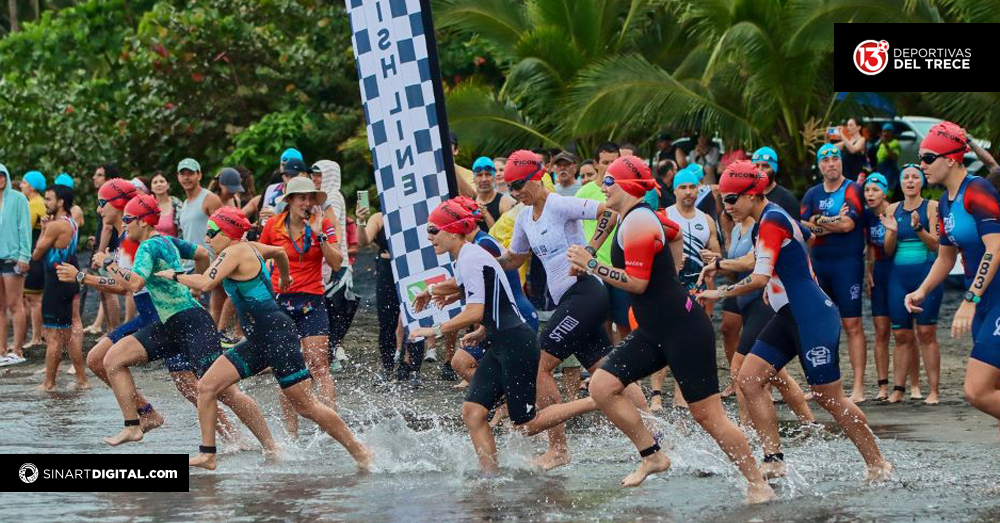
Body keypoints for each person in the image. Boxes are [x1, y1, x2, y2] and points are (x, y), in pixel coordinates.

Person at [564, 157, 775, 503]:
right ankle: (653, 455)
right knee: (603, 386)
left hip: (683, 329)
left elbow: (637, 283)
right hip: (654, 329)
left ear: (626, 186)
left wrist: (593, 265)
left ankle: (757, 482)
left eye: (609, 181)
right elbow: (674, 233)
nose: (603, 187)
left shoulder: (638, 222)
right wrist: (675, 273)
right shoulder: (635, 216)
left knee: (709, 416)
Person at [697, 160, 892, 482]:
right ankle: (773, 459)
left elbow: (759, 277)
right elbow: (766, 255)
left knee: (829, 397)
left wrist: (718, 293)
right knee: (749, 379)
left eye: (731, 199)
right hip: (789, 315)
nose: (726, 207)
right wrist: (720, 264)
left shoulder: (771, 220)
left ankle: (877, 462)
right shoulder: (767, 219)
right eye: (724, 199)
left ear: (752, 194)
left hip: (812, 316)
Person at [159, 207, 372, 471]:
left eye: (212, 233)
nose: (207, 239)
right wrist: (285, 276)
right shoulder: (252, 247)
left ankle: (361, 451)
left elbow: (204, 283)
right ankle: (211, 454)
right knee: (206, 387)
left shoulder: (235, 252)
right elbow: (280, 252)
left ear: (228, 233)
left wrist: (174, 275)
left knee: (306, 406)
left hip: (277, 335)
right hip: (259, 338)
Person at [410, 197, 598, 473]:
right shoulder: (466, 256)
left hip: (516, 343)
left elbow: (475, 310)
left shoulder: (471, 256)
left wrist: (435, 331)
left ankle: (595, 400)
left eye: (433, 230)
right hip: (500, 342)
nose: (429, 238)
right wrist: (481, 327)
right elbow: (493, 297)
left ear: (452, 231)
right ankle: (491, 478)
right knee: (473, 412)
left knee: (526, 424)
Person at [497, 149, 648, 470]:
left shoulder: (558, 204)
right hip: (571, 301)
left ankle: (558, 448)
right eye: (510, 188)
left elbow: (610, 213)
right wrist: (481, 264)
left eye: (519, 185)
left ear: (537, 178)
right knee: (607, 369)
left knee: (539, 365)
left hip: (586, 292)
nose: (515, 193)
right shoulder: (523, 218)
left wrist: (589, 252)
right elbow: (514, 259)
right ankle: (654, 436)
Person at [56, 179, 239, 438]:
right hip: (150, 314)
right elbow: (196, 254)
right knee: (99, 360)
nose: (98, 210)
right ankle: (146, 412)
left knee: (192, 385)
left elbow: (127, 285)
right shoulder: (128, 237)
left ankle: (233, 436)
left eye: (102, 203)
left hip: (163, 316)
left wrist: (83, 277)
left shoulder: (138, 240)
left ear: (120, 205)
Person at [94, 194, 273, 452]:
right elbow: (200, 253)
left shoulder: (148, 246)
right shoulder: (168, 241)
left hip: (192, 323)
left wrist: (108, 263)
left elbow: (134, 284)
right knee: (113, 359)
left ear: (142, 221)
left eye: (128, 219)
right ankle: (133, 424)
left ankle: (271, 446)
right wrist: (196, 284)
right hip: (170, 325)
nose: (124, 224)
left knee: (225, 391)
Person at [906, 121, 1000, 427]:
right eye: (921, 158)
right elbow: (946, 258)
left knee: (978, 391)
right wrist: (921, 290)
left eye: (928, 158)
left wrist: (970, 299)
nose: (922, 165)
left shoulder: (978, 190)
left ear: (950, 160)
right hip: (985, 302)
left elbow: (996, 247)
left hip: (992, 297)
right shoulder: (946, 202)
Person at [259, 177, 344, 437]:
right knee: (287, 367)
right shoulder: (273, 225)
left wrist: (320, 236)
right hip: (281, 301)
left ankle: (332, 427)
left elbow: (337, 263)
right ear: (290, 201)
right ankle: (292, 433)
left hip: (312, 300)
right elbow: (259, 257)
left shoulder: (323, 224)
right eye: (301, 198)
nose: (307, 203)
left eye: (310, 198)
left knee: (319, 365)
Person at [800, 144, 869, 403]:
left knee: (852, 324)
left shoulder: (852, 189)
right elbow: (803, 225)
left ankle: (859, 386)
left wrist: (819, 220)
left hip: (847, 265)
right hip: (820, 264)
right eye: (826, 160)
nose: (831, 164)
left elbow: (848, 224)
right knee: (822, 325)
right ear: (819, 165)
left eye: (835, 159)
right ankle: (824, 384)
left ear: (841, 162)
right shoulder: (812, 193)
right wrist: (830, 222)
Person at [884, 164, 942, 404]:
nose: (910, 181)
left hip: (926, 275)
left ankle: (933, 391)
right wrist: (892, 232)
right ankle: (898, 389)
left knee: (926, 332)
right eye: (905, 177)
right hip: (898, 277)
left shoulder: (932, 207)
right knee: (900, 334)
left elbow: (936, 245)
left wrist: (918, 228)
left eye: (915, 177)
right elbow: (888, 251)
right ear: (901, 182)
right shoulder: (892, 209)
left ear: (922, 182)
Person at [33, 184, 87, 390]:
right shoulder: (72, 221)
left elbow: (37, 254)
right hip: (67, 280)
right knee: (68, 333)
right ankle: (82, 380)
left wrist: (43, 230)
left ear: (61, 202)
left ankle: (49, 383)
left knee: (53, 336)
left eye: (49, 199)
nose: (45, 203)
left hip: (56, 283)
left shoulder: (56, 225)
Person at [176, 158, 223, 327]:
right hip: (189, 265)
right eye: (183, 174)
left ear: (199, 175)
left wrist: (219, 262)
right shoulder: (184, 205)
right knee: (191, 316)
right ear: (178, 177)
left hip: (210, 263)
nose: (186, 177)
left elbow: (222, 231)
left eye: (190, 173)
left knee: (211, 312)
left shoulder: (210, 199)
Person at [0, 163, 31, 367]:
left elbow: (24, 228)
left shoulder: (18, 198)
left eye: (2, 175)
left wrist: (24, 256)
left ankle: (17, 350)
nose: (0, 179)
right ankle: (1, 349)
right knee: (0, 306)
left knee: (15, 304)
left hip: (13, 258)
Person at [20, 170, 47, 351]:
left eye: (23, 182)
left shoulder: (34, 204)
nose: (21, 186)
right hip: (41, 254)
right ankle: (41, 333)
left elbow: (24, 230)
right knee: (37, 298)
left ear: (32, 186)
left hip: (34, 254)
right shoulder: (41, 202)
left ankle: (37, 337)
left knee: (33, 299)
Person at [752, 147, 799, 220]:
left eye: (765, 166)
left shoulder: (787, 199)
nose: (760, 170)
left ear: (774, 169)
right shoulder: (746, 196)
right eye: (756, 166)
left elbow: (794, 226)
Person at [472, 156, 515, 232]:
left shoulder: (507, 203)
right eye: (479, 175)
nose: (484, 179)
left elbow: (504, 236)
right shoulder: (469, 203)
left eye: (488, 174)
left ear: (494, 177)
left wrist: (486, 214)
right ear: (474, 179)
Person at [150, 171, 182, 237]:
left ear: (168, 185)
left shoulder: (177, 205)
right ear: (151, 188)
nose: (158, 184)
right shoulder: (147, 206)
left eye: (162, 181)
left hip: (174, 243)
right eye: (155, 182)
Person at [876, 123, 901, 191]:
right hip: (881, 171)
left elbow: (894, 157)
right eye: (884, 131)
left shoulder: (895, 143)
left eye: (888, 131)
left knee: (888, 191)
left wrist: (886, 145)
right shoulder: (881, 144)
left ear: (892, 133)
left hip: (890, 172)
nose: (885, 134)